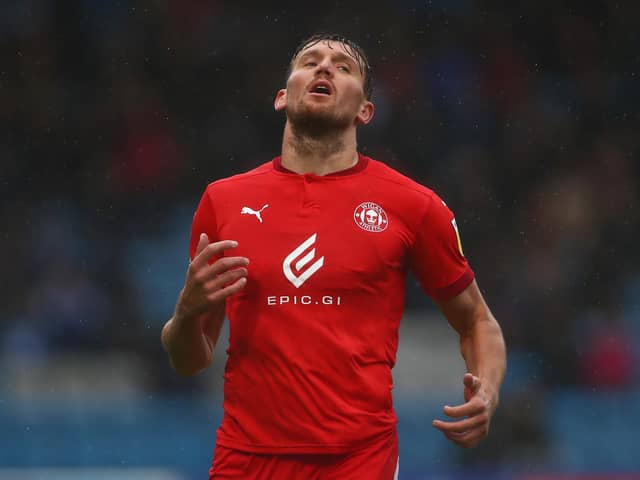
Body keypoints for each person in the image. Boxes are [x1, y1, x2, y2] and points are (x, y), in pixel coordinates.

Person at [161, 33, 507, 480]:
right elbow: (188, 360)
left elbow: (477, 320)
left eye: (344, 67)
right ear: (282, 97)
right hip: (246, 460)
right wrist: (186, 313)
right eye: (311, 61)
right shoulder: (223, 201)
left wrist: (489, 391)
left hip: (359, 458)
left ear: (365, 110)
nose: (325, 68)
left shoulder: (413, 206)